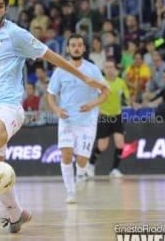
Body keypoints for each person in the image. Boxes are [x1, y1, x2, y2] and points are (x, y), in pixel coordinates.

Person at [0, 0, 107, 234]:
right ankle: (17, 214)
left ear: (6, 9)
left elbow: (52, 56)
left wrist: (84, 77)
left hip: (9, 107)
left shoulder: (16, 34)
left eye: (0, 6)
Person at [47, 34, 108, 204]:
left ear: (84, 48)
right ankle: (70, 192)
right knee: (66, 154)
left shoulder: (93, 70)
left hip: (87, 121)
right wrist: (56, 109)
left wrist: (93, 104)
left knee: (82, 159)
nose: (76, 48)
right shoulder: (60, 70)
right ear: (67, 48)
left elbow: (106, 91)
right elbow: (51, 94)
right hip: (66, 120)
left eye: (79, 45)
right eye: (72, 45)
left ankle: (81, 173)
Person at [87, 59, 130, 178]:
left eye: (111, 67)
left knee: (120, 142)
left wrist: (133, 103)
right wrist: (97, 109)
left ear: (115, 69)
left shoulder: (121, 82)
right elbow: (92, 97)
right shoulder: (100, 83)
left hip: (117, 116)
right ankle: (90, 165)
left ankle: (114, 169)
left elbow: (127, 98)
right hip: (104, 116)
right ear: (104, 69)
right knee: (102, 145)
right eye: (107, 67)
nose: (109, 69)